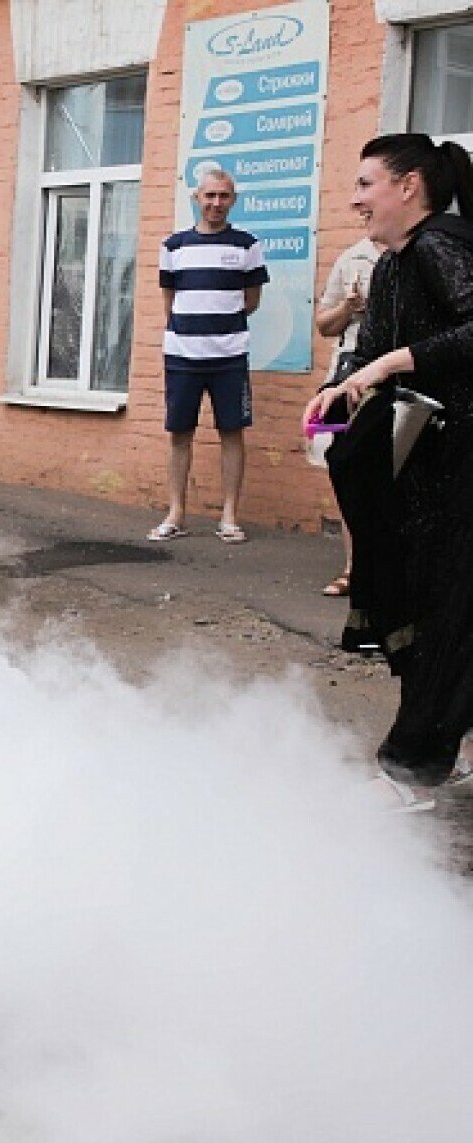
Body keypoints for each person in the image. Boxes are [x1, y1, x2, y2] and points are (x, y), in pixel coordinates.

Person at [304, 133, 473, 801]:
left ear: (408, 186)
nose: (355, 200)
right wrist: (335, 388)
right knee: (432, 606)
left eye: (365, 184)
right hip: (431, 466)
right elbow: (367, 348)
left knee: (447, 611)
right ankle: (449, 748)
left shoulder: (440, 245)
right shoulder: (392, 264)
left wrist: (391, 364)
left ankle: (411, 770)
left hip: (462, 462)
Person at [151, 168, 266, 545]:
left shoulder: (247, 245)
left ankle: (229, 517)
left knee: (232, 433)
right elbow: (170, 302)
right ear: (196, 198)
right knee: (179, 434)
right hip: (182, 356)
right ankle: (175, 514)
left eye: (224, 196)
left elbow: (251, 301)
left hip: (229, 357)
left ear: (233, 200)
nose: (216, 203)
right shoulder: (173, 246)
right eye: (210, 196)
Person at [313, 234, 383, 596]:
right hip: (351, 375)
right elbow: (325, 324)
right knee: (349, 468)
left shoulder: (424, 250)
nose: (362, 209)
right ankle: (354, 569)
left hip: (399, 371)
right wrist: (348, 307)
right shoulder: (352, 258)